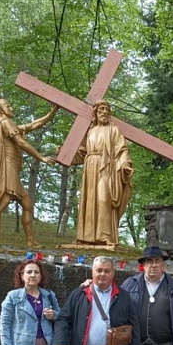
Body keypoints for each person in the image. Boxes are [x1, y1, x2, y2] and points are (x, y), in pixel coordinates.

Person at [0, 99, 57, 246]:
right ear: (1, 110)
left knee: (27, 204)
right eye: (8, 106)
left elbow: (33, 125)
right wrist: (41, 157)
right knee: (5, 198)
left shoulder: (0, 123)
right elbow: (21, 142)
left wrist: (51, 113)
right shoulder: (4, 122)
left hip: (11, 167)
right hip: (7, 165)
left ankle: (30, 240)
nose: (12, 108)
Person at [70, 100, 133, 247]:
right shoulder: (90, 131)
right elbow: (81, 153)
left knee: (104, 199)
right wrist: (64, 154)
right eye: (101, 110)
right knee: (89, 200)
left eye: (107, 110)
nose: (104, 112)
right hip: (90, 165)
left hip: (107, 166)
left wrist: (124, 164)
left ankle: (104, 235)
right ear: (96, 113)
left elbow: (122, 149)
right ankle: (84, 237)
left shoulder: (113, 130)